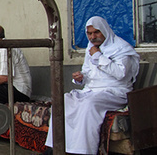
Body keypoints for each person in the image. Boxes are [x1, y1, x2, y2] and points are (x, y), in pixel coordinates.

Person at [44, 16, 140, 154]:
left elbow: (120, 74)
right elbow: (89, 73)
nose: (92, 37)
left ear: (105, 31)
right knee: (62, 101)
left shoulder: (121, 49)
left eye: (96, 32)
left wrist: (98, 56)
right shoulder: (92, 48)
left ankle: (82, 151)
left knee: (89, 105)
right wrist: (80, 78)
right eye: (89, 33)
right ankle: (55, 148)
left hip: (114, 92)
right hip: (92, 91)